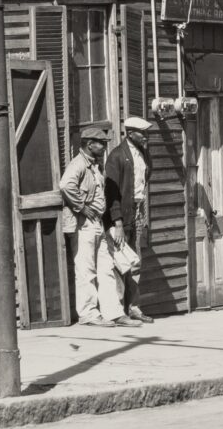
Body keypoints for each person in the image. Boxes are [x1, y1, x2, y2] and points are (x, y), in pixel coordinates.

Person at [60, 126, 137, 328]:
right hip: (83, 224)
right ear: (88, 144)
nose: (103, 147)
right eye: (100, 143)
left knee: (106, 268)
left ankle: (113, 312)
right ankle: (88, 314)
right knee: (86, 270)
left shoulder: (95, 165)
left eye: (104, 143)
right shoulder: (78, 164)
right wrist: (82, 207)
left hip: (98, 224)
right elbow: (65, 185)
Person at [103, 116, 153, 323]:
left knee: (135, 262)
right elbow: (111, 192)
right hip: (120, 216)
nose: (145, 136)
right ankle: (118, 311)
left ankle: (134, 307)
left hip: (137, 211)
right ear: (130, 133)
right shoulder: (117, 156)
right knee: (120, 263)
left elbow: (146, 176)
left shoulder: (142, 153)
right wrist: (118, 222)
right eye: (142, 133)